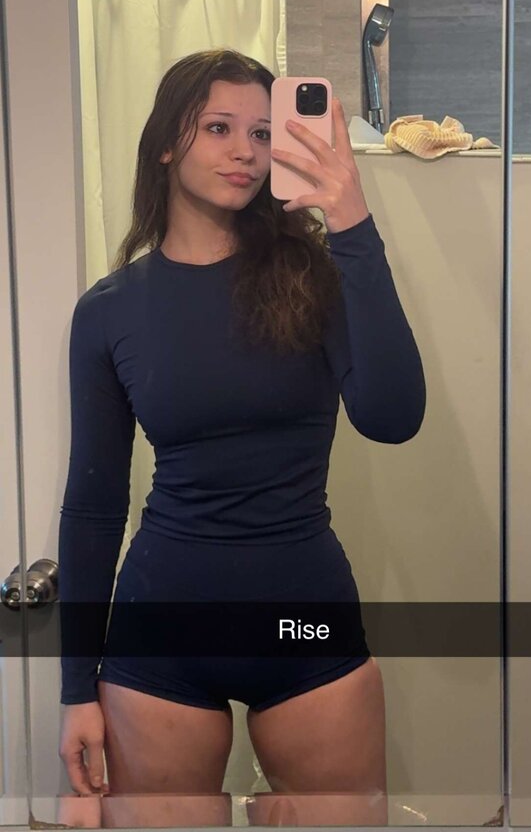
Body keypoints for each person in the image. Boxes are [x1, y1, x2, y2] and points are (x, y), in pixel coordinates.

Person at [57, 48, 426, 828]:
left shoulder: (315, 276)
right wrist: (74, 688)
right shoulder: (109, 310)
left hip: (305, 620)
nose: (246, 152)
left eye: (263, 133)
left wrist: (352, 221)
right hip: (164, 627)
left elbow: (393, 417)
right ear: (167, 142)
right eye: (219, 128)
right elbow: (93, 507)